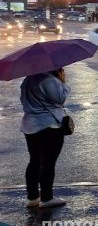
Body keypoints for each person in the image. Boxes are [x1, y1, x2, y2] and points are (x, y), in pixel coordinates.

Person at [21, 68, 70, 209]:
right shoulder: (48, 80)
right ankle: (47, 198)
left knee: (34, 161)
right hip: (49, 126)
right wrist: (63, 82)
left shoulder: (28, 79)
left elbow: (23, 101)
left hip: (30, 126)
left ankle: (32, 198)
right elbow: (60, 99)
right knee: (48, 163)